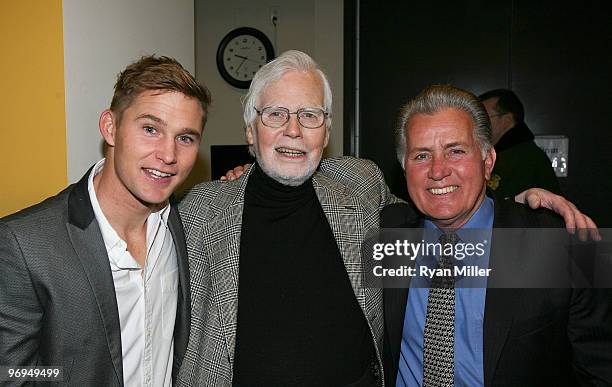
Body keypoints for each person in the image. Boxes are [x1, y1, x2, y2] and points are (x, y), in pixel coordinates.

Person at [178, 50, 596, 386]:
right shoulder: (203, 210)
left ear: (326, 131)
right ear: (251, 131)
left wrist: (524, 203)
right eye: (275, 114)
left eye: (309, 115)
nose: (293, 130)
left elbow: (451, 201)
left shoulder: (359, 186)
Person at [0, 55, 211, 386]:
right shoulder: (25, 243)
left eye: (185, 138)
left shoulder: (185, 225)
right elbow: (11, 373)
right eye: (151, 129)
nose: (168, 155)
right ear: (110, 128)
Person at [383, 85, 612, 386]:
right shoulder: (384, 234)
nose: (438, 171)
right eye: (422, 155)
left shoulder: (569, 242)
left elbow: (601, 367)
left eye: (456, 151)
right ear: (404, 169)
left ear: (488, 161)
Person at [479, 88, 560, 199]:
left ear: (506, 120)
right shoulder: (510, 153)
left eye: (484, 118)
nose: (479, 124)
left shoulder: (524, 160)